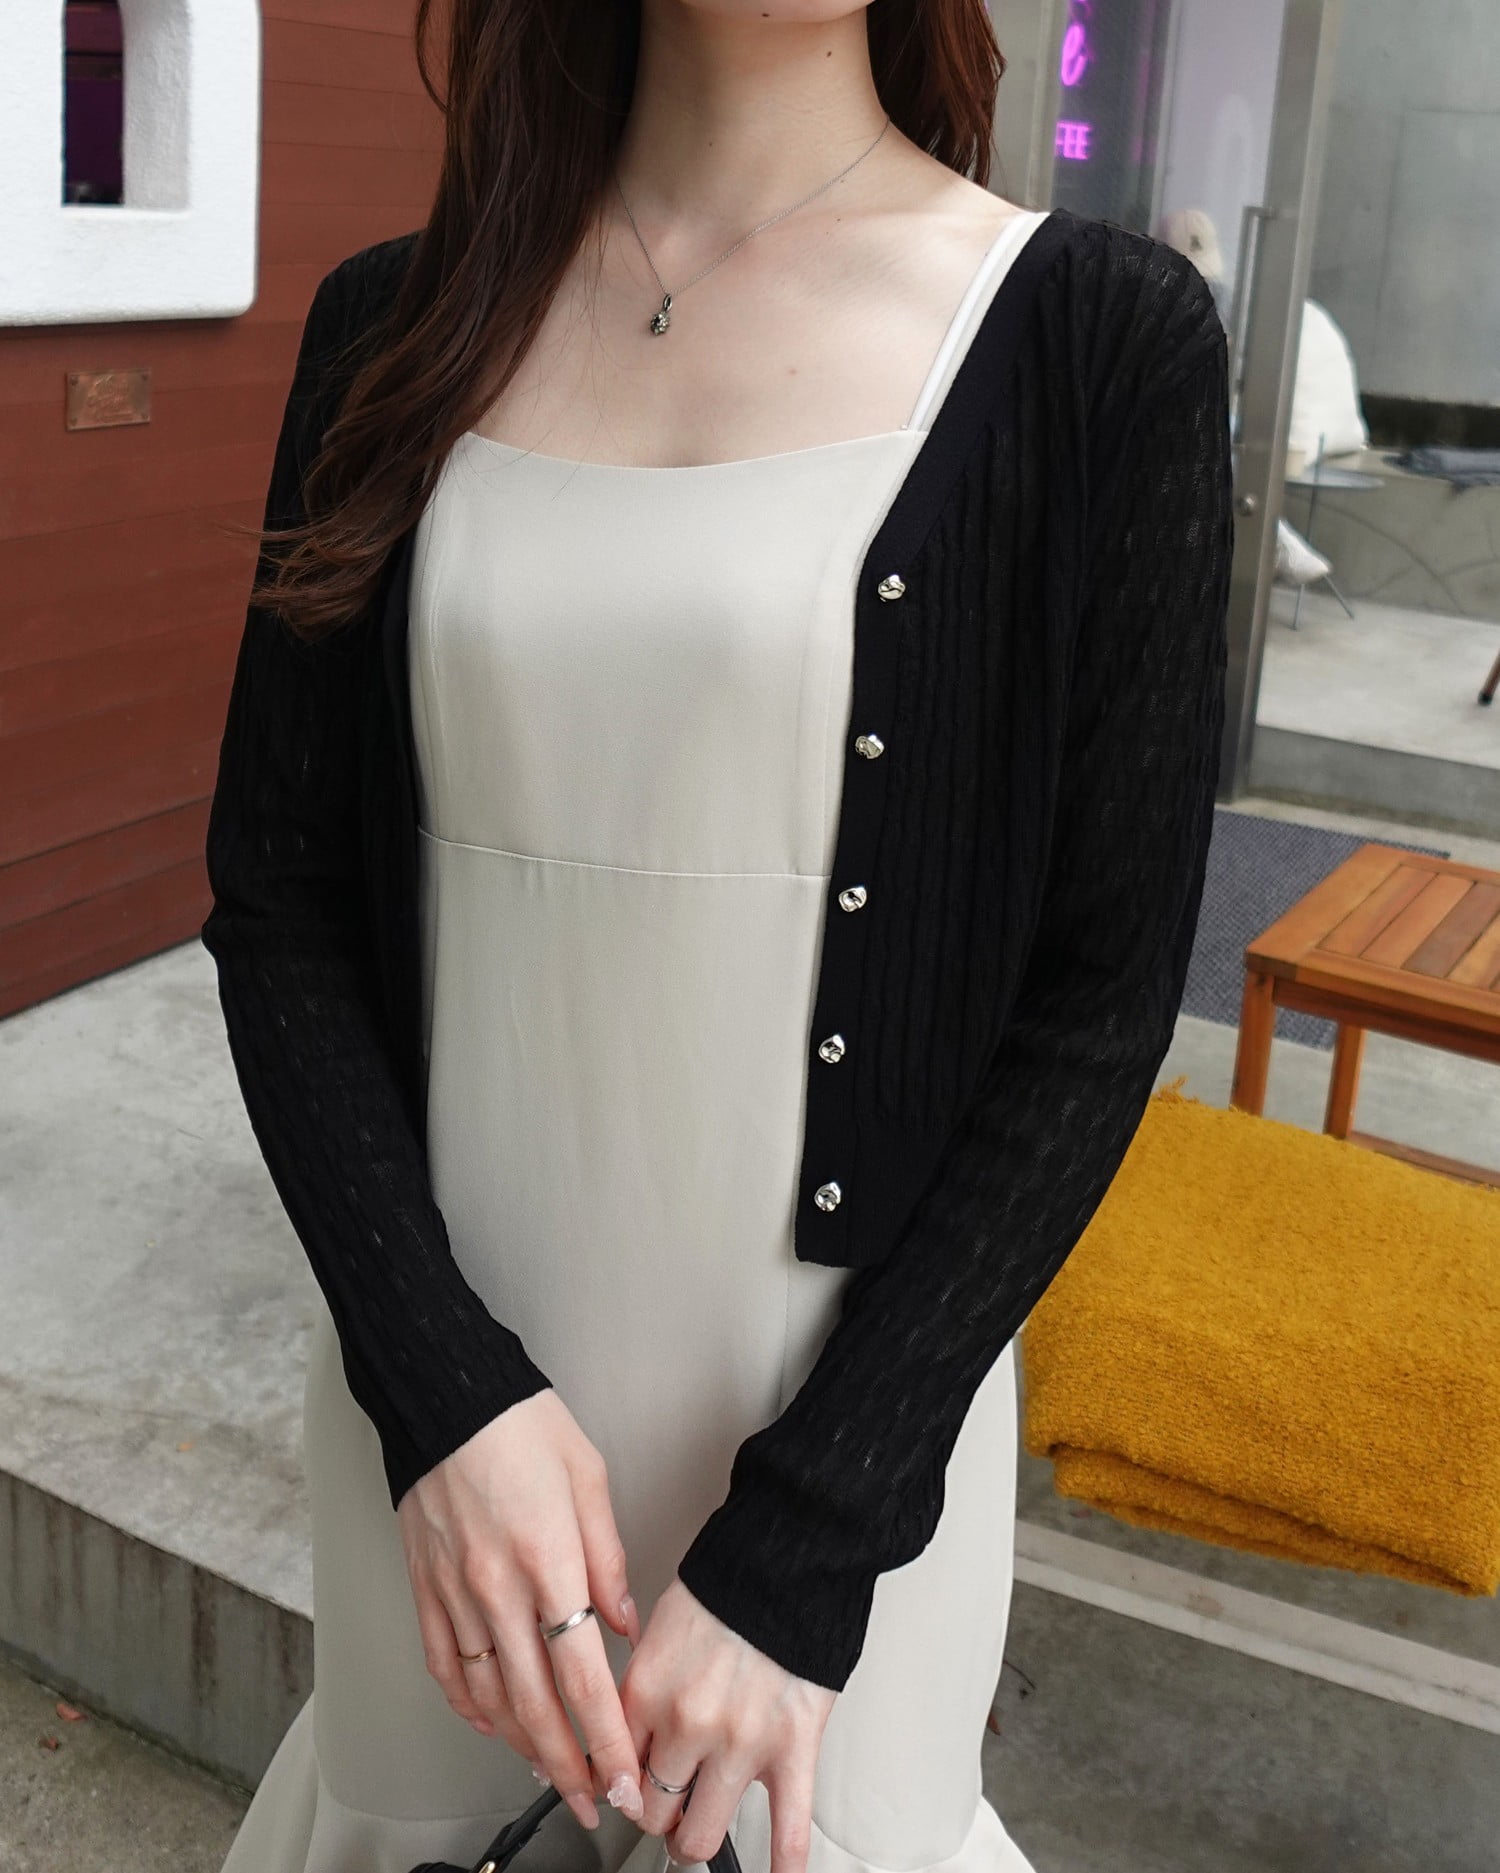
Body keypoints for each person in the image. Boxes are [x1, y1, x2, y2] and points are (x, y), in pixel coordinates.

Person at [202, 4, 1232, 1872]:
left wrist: (810, 1541)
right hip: (448, 1443)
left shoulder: (1097, 341)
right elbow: (280, 906)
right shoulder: (391, 328)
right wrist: (436, 1398)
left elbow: (1096, 1004)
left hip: (853, 1454)